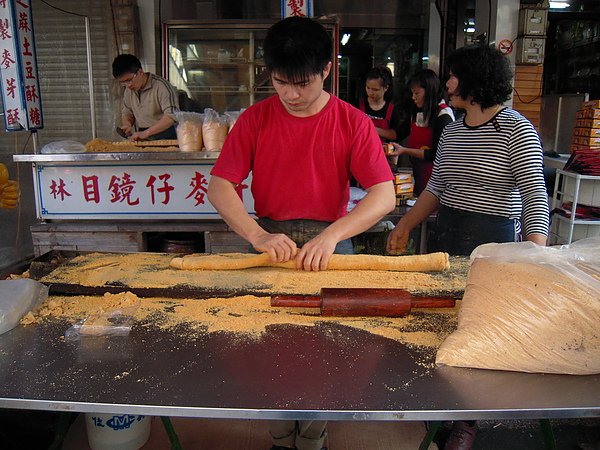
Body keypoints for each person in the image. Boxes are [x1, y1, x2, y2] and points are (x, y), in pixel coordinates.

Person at [208, 16, 396, 450]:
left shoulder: (352, 122)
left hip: (332, 242)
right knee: (269, 345)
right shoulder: (254, 120)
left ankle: (314, 437)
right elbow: (221, 187)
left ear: (327, 70)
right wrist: (256, 236)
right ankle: (278, 436)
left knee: (326, 348)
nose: (290, 94)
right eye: (280, 82)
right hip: (269, 242)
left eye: (302, 83)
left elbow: (383, 195)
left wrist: (332, 236)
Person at [387, 44, 549, 450]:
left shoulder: (517, 129)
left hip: (493, 239)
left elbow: (534, 194)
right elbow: (436, 187)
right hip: (448, 236)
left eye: (455, 75)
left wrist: (535, 252)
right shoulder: (454, 130)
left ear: (475, 82)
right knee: (439, 324)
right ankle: (440, 408)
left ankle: (466, 421)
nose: (449, 83)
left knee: (478, 329)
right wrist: (405, 224)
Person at [390, 69, 455, 196]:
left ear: (429, 91)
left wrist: (404, 150)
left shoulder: (444, 116)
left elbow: (435, 154)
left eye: (417, 93)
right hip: (419, 176)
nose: (413, 97)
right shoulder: (417, 112)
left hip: (436, 182)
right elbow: (398, 134)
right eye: (412, 93)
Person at [112, 54, 179, 141]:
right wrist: (127, 124)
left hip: (166, 135)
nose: (128, 85)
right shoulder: (129, 90)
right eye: (123, 83)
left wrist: (146, 133)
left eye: (129, 80)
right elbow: (127, 111)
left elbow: (172, 116)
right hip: (142, 135)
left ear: (140, 72)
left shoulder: (161, 87)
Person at [358, 65, 402, 144]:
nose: (370, 93)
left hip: (383, 153)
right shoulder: (358, 106)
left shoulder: (392, 110)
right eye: (368, 88)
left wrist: (372, 128)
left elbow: (395, 135)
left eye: (375, 90)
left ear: (386, 88)